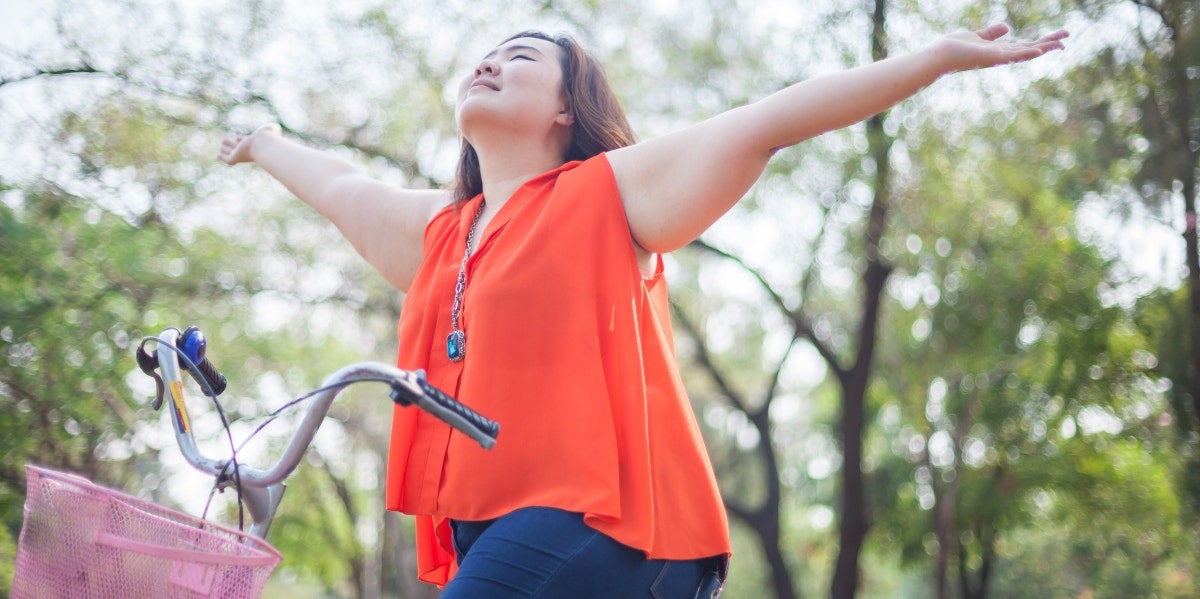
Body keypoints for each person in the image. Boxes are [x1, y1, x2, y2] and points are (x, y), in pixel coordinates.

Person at [219, 22, 1067, 598]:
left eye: (518, 57)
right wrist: (263, 145)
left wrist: (933, 59)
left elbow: (768, 120)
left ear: (564, 108)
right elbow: (342, 187)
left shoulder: (608, 193)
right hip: (483, 525)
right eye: (484, 54)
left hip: (613, 520)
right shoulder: (442, 234)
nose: (488, 61)